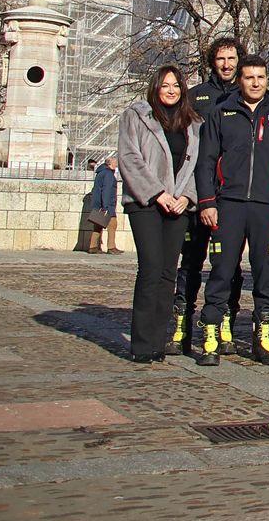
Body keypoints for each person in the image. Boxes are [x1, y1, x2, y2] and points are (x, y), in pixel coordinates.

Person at [192, 54, 269, 367]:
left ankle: (262, 337)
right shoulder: (220, 112)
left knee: (266, 274)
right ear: (239, 80)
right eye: (250, 77)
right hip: (229, 205)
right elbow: (206, 162)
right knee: (222, 271)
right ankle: (211, 335)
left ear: (268, 80)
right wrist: (207, 202)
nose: (256, 83)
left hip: (267, 207)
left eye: (261, 78)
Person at [118, 65, 202, 362]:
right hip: (146, 203)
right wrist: (158, 193)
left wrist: (186, 197)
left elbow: (194, 167)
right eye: (165, 85)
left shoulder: (192, 123)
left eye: (176, 86)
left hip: (178, 205)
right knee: (151, 268)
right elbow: (129, 158)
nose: (171, 90)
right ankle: (141, 343)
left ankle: (157, 341)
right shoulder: (137, 116)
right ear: (155, 87)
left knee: (169, 273)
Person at [169, 36, 244, 355]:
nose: (226, 65)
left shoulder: (249, 97)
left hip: (232, 196)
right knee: (191, 262)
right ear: (212, 62)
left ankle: (225, 319)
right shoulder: (196, 97)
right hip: (198, 194)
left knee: (229, 266)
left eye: (231, 59)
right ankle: (181, 323)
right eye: (221, 59)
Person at [88, 156, 121, 254]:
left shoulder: (101, 173)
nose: (116, 164)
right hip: (107, 205)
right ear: (110, 163)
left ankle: (93, 246)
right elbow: (106, 191)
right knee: (112, 224)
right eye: (115, 162)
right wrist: (105, 207)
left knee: (98, 225)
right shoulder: (108, 174)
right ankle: (111, 247)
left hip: (99, 204)